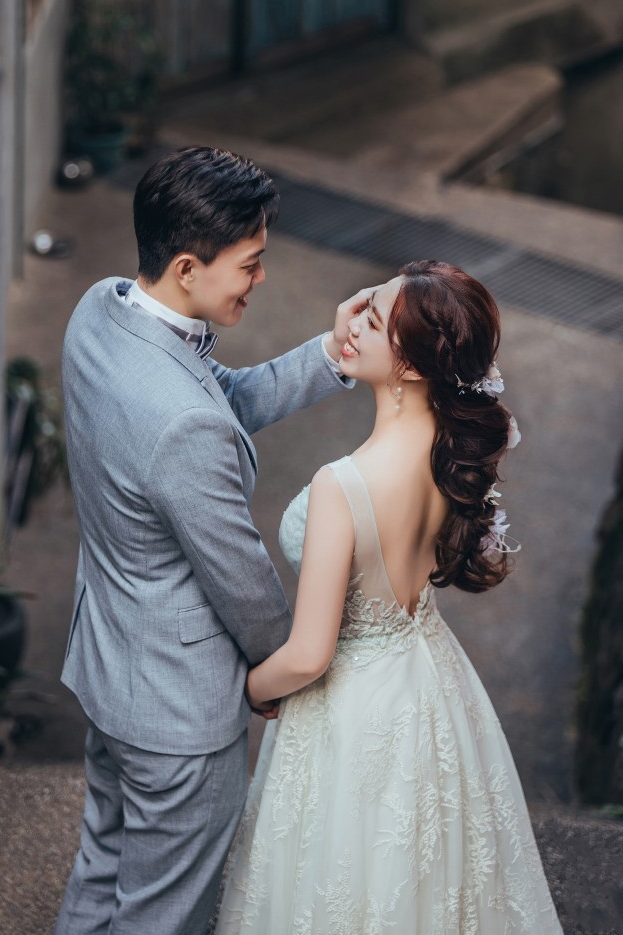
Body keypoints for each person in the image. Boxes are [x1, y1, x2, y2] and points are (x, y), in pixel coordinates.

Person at [54, 146, 370, 935]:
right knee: (163, 916)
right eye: (250, 264)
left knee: (102, 869)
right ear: (188, 267)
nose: (261, 278)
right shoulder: (184, 426)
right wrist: (281, 671)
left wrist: (330, 355)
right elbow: (244, 583)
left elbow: (213, 398)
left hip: (109, 671)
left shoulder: (100, 311)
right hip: (178, 718)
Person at [215, 261, 563, 935]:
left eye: (371, 320)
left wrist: (248, 688)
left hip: (352, 710)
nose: (351, 325)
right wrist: (377, 309)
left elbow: (310, 654)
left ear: (410, 364)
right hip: (427, 680)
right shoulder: (451, 456)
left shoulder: (343, 485)